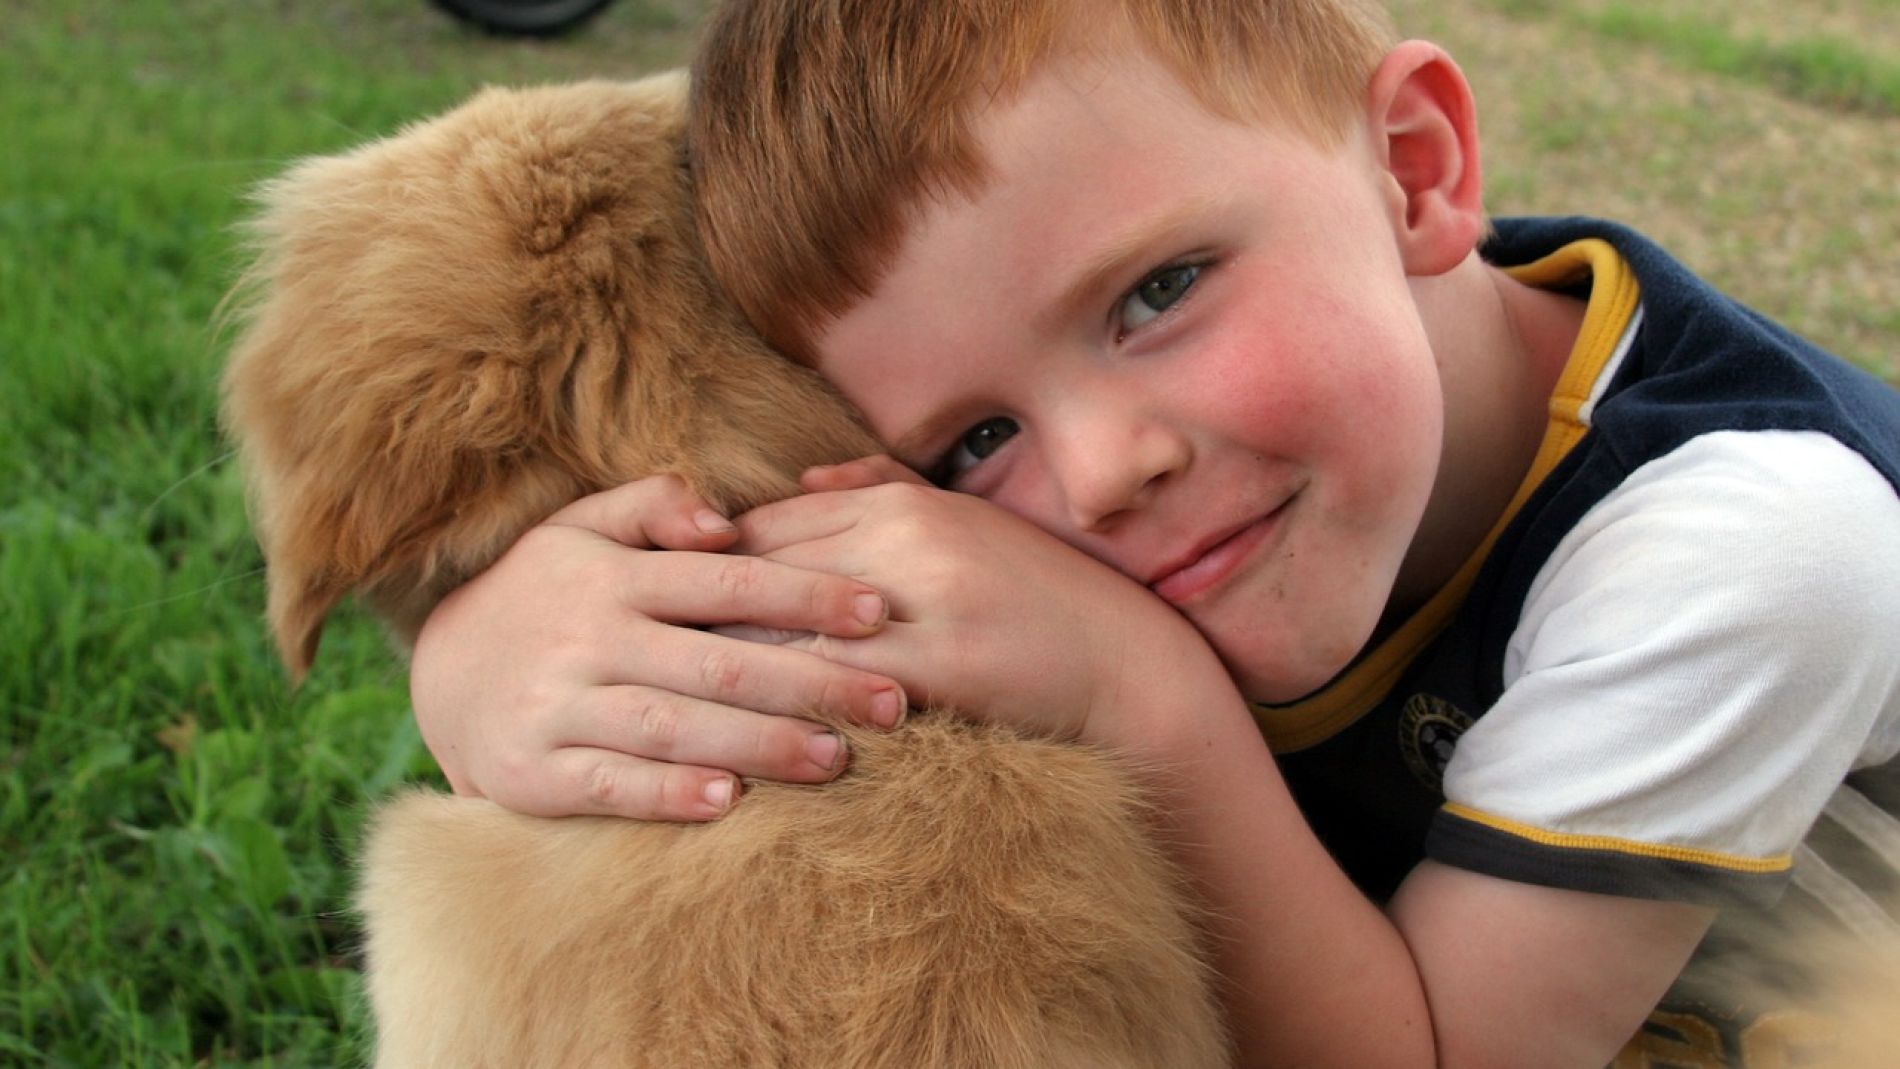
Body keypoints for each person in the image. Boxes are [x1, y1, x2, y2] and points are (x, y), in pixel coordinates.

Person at [408, 0, 1900, 1064]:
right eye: (973, 440)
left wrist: (1146, 697)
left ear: (1418, 171)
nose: (1101, 472)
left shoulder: (1754, 551)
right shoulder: (1294, 444)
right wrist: (482, 654)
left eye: (1158, 291)